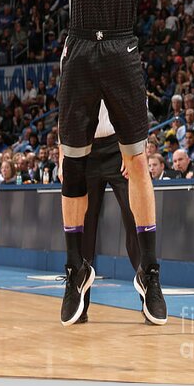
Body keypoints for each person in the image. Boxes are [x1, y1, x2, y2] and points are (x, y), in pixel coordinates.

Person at [54, 0, 167, 326]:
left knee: (137, 161)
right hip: (78, 48)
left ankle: (149, 272)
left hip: (121, 47)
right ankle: (77, 269)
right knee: (69, 165)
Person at [58, 100, 140, 323]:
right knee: (84, 228)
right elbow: (66, 108)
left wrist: (136, 148)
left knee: (135, 219)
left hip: (120, 146)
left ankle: (148, 291)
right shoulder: (69, 62)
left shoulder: (122, 63)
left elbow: (137, 101)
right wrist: (62, 153)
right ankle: (79, 302)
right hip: (84, 148)